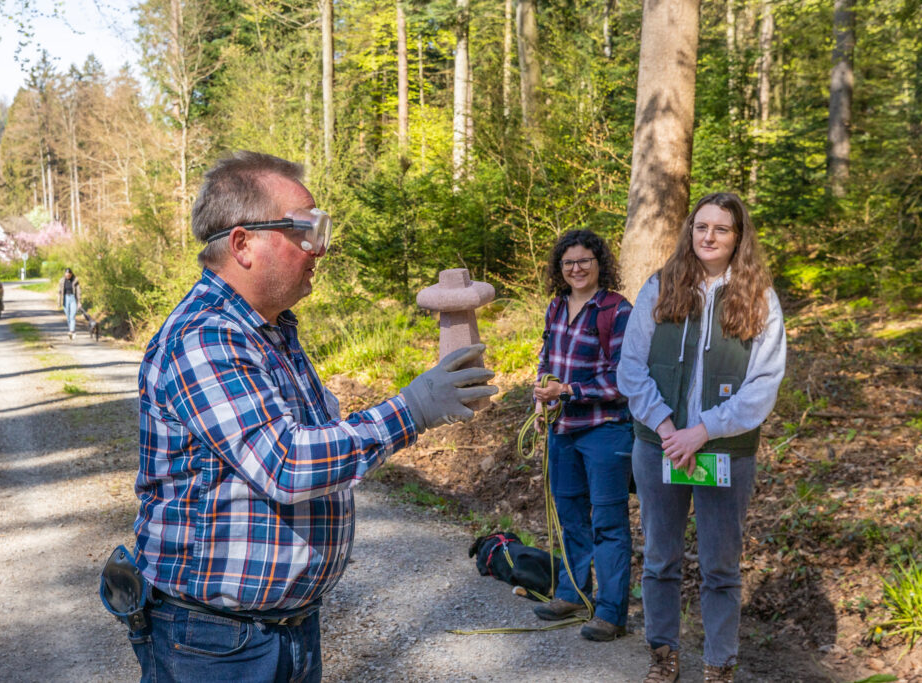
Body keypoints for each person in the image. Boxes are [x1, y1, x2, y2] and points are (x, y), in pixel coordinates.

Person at [127, 150, 497, 682]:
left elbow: (318, 439)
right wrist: (413, 408)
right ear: (243, 243)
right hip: (215, 643)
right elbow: (287, 464)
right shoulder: (206, 335)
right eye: (306, 229)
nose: (319, 247)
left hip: (282, 629)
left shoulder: (271, 330)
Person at [616, 192, 786, 683]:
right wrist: (670, 430)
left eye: (722, 229)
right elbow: (632, 368)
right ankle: (663, 655)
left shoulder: (759, 298)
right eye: (701, 227)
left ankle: (718, 665)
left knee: (720, 567)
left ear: (738, 238)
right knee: (660, 559)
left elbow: (762, 384)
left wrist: (703, 431)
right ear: (690, 232)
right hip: (659, 447)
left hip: (725, 452)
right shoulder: (661, 286)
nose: (709, 237)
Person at [530, 229, 635, 643]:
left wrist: (569, 391)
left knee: (609, 523)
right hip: (562, 430)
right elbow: (546, 360)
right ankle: (573, 593)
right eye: (568, 262)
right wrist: (541, 401)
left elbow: (624, 379)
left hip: (605, 433)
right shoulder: (555, 307)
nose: (576, 268)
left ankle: (611, 613)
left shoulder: (617, 309)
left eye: (584, 261)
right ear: (560, 268)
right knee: (570, 516)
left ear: (599, 263)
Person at [58, 268, 81, 339]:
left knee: (72, 315)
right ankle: (71, 330)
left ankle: (72, 331)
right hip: (65, 299)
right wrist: (59, 302)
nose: (67, 276)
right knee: (68, 316)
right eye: (66, 275)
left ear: (71, 274)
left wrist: (79, 301)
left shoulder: (75, 281)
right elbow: (59, 292)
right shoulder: (62, 281)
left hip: (73, 298)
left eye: (69, 275)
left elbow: (78, 291)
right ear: (65, 274)